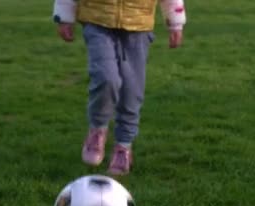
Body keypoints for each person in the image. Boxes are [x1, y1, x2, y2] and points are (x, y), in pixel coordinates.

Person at [53, 0, 187, 175]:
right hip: (97, 20)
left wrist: (175, 22)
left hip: (139, 26)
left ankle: (123, 147)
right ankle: (98, 129)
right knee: (106, 78)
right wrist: (64, 17)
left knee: (132, 90)